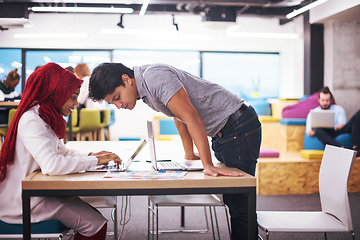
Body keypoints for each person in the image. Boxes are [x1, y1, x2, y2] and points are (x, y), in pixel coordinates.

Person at [88, 63, 262, 240]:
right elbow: (178, 115)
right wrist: (189, 153)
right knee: (235, 202)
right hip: (225, 132)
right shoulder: (145, 89)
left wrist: (207, 164)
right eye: (113, 103)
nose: (119, 105)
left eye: (117, 97)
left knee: (241, 205)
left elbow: (190, 116)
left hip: (238, 127)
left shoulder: (154, 78)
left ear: (126, 79)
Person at [0, 63, 121, 239]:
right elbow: (51, 166)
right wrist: (94, 161)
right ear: (55, 93)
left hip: (38, 193)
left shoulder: (46, 116)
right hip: (22, 202)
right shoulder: (32, 121)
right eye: (72, 97)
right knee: (96, 224)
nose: (76, 103)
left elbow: (62, 152)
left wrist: (92, 156)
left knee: (94, 217)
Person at [306, 86, 360, 156]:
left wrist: (335, 128)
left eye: (327, 100)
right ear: (319, 99)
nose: (325, 103)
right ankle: (340, 149)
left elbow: (343, 124)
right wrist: (315, 130)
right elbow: (308, 132)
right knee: (318, 131)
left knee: (357, 116)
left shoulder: (338, 109)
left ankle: (356, 148)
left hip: (337, 130)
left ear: (331, 100)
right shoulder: (313, 113)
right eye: (323, 100)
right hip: (324, 133)